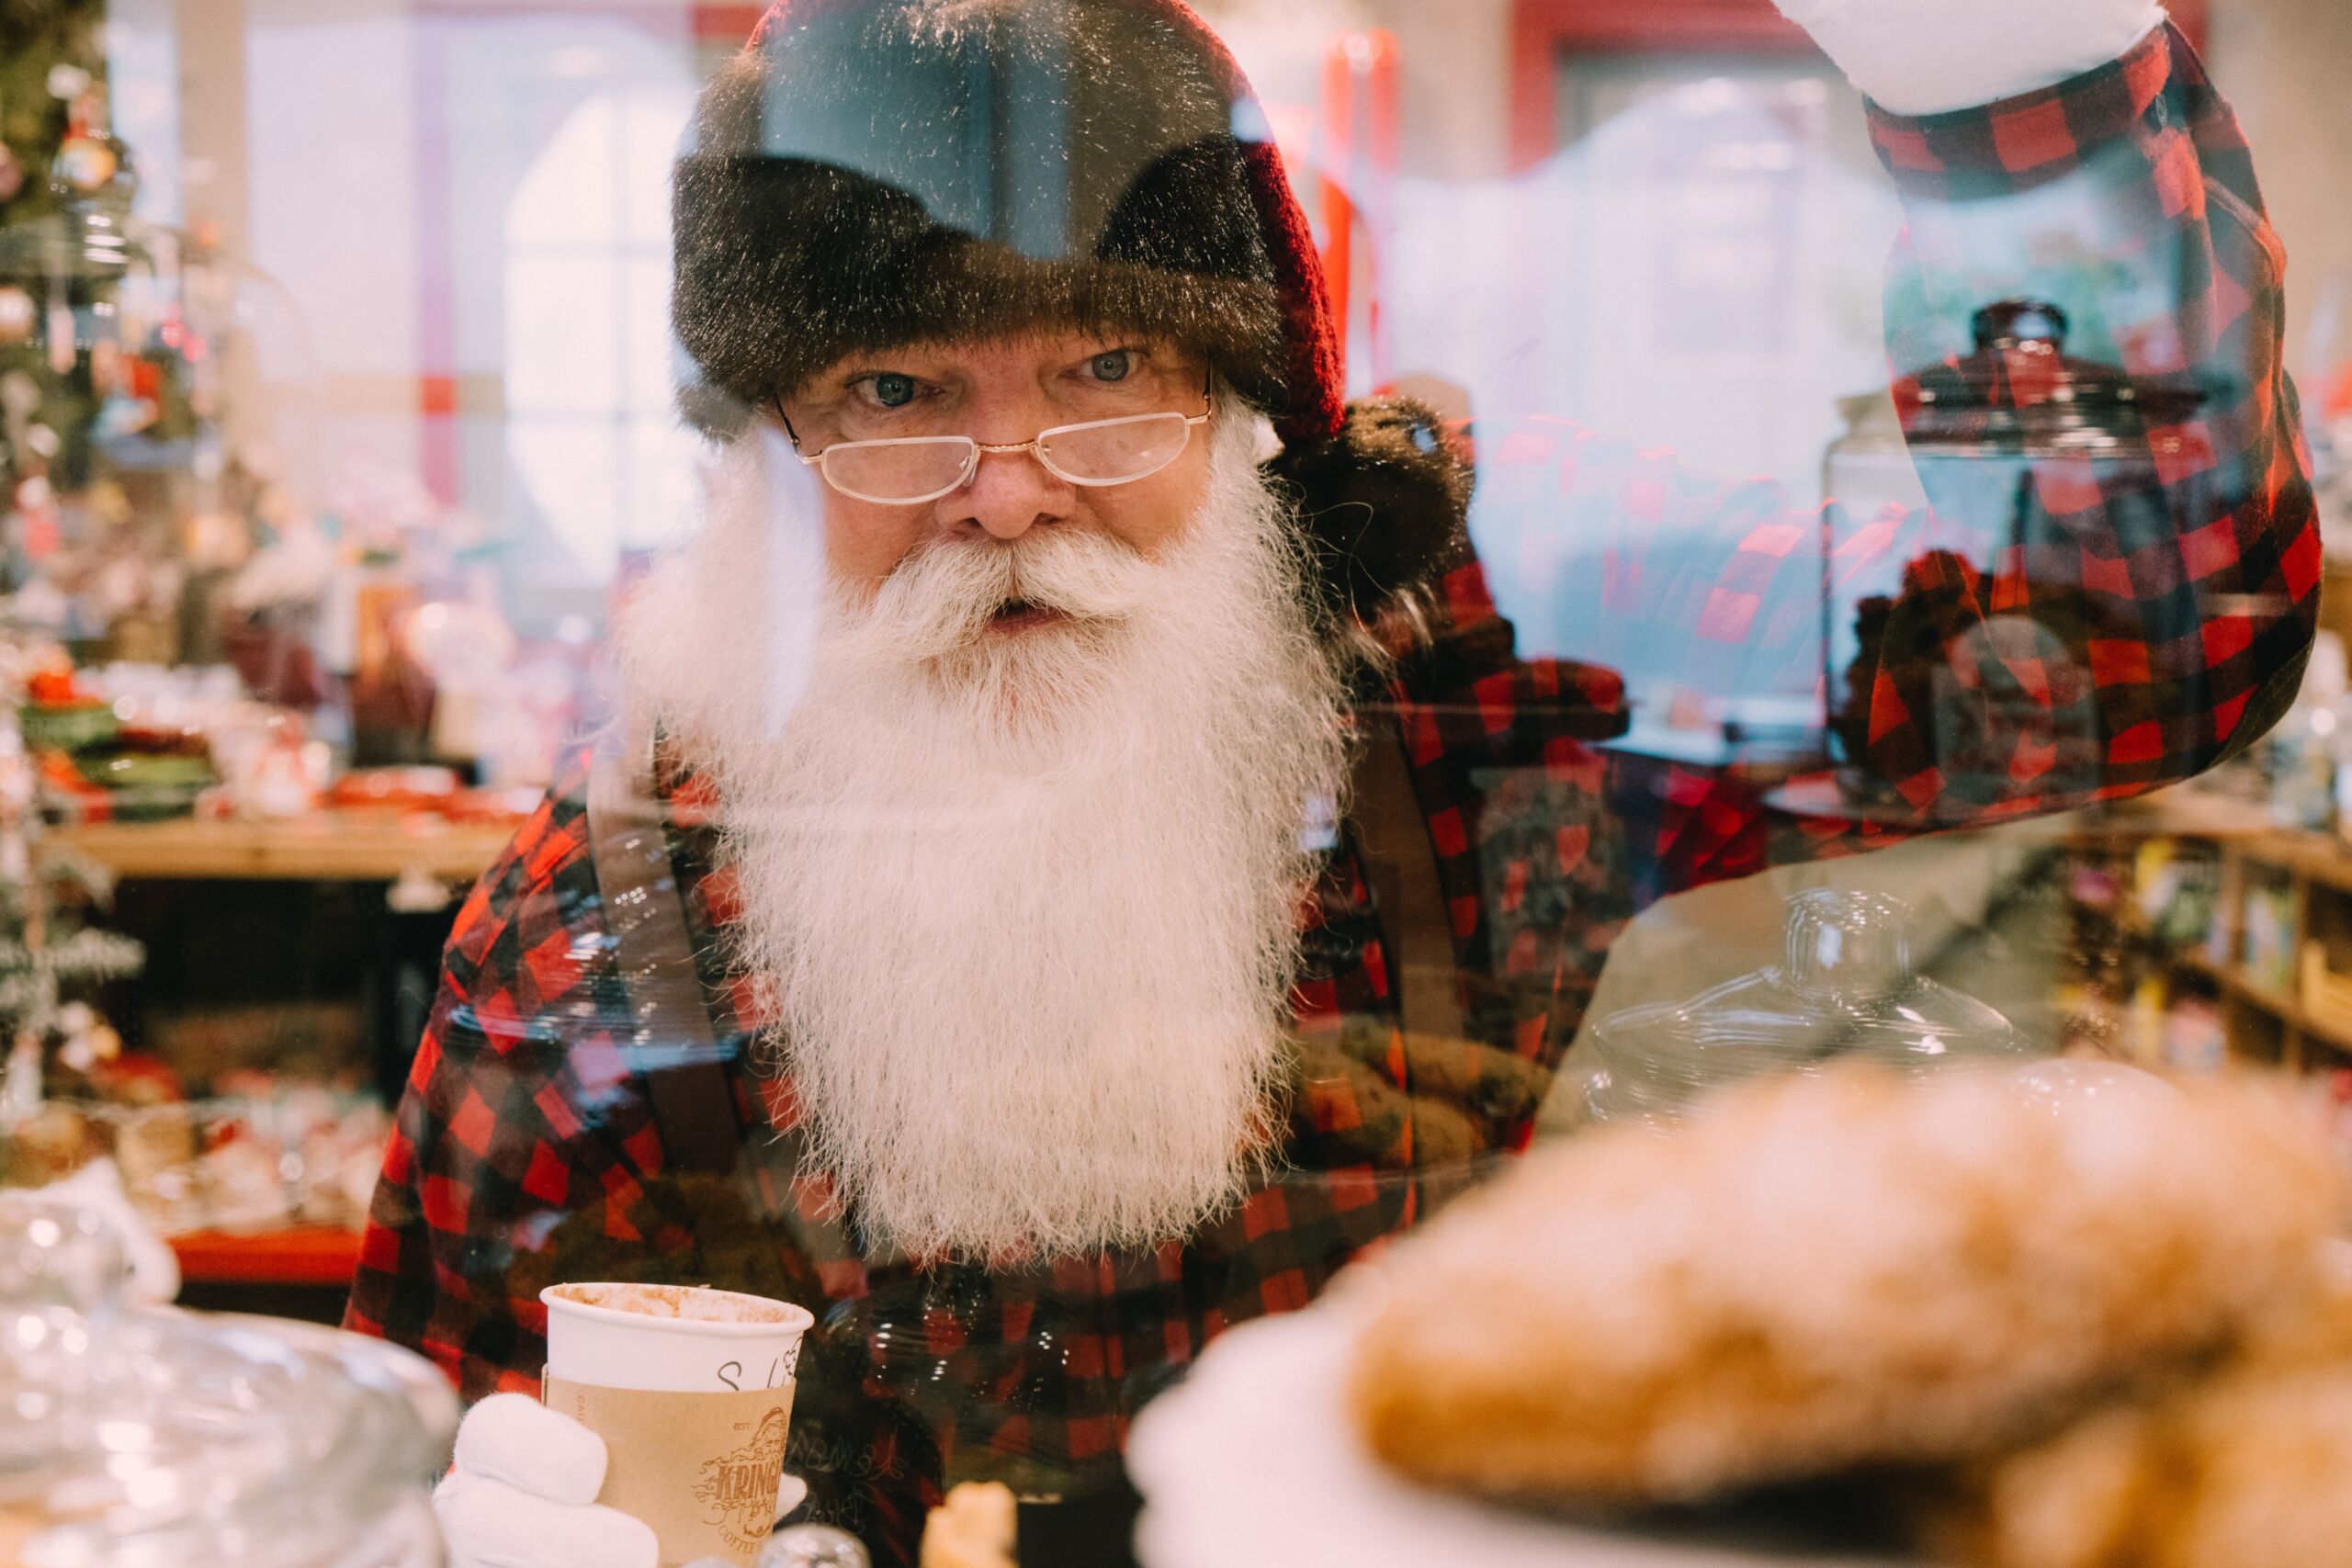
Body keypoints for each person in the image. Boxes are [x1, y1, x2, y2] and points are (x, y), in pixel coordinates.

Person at [346, 1, 2318, 1564]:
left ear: (1247, 401)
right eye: (893, 392)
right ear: (756, 452)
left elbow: (2121, 655)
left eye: (1107, 362)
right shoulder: (621, 910)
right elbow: (460, 1410)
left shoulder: (1479, 646)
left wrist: (2011, 99)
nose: (1009, 491)